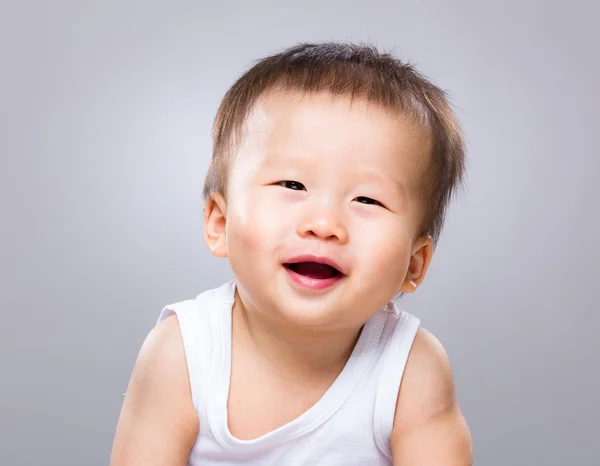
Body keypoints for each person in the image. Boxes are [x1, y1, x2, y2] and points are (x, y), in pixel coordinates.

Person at [110, 42, 473, 465]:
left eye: (367, 200)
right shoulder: (184, 353)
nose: (323, 224)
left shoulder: (411, 369)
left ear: (413, 264)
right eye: (292, 186)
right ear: (220, 224)